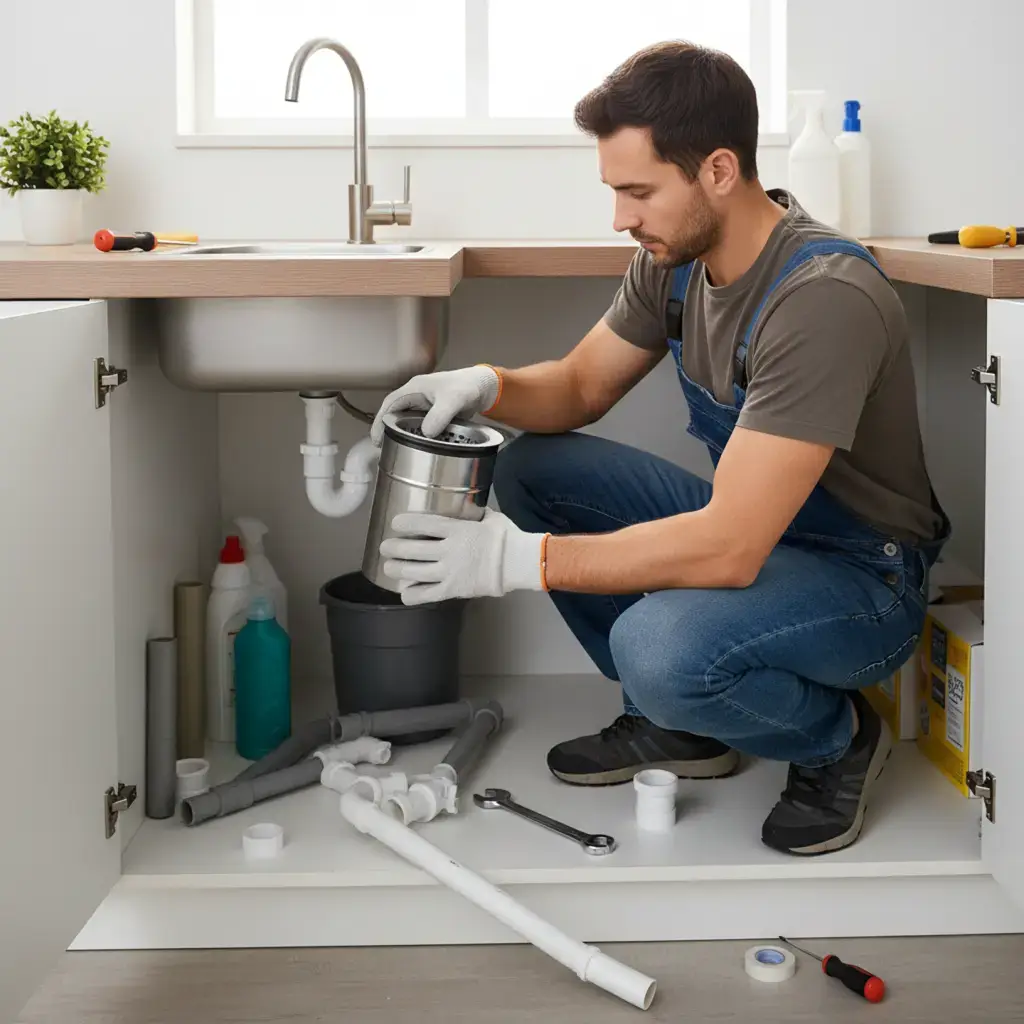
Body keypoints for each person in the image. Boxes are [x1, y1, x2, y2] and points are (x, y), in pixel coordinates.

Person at [369, 41, 949, 857]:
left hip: (863, 581)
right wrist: (485, 383)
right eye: (615, 190)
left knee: (656, 647)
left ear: (718, 170)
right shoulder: (675, 264)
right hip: (757, 539)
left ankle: (835, 738)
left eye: (637, 191)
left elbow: (728, 546)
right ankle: (680, 722)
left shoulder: (822, 299)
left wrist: (518, 562)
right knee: (535, 462)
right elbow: (578, 388)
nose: (621, 218)